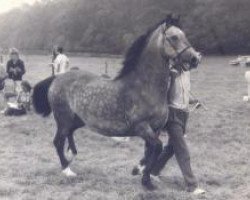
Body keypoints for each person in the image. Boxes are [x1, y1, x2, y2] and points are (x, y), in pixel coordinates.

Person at [150, 65, 206, 195]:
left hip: (184, 114)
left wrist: (194, 101)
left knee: (171, 148)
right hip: (172, 114)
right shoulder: (169, 73)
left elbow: (183, 94)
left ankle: (153, 171)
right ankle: (192, 185)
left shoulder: (187, 73)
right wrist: (171, 77)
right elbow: (164, 95)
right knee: (182, 148)